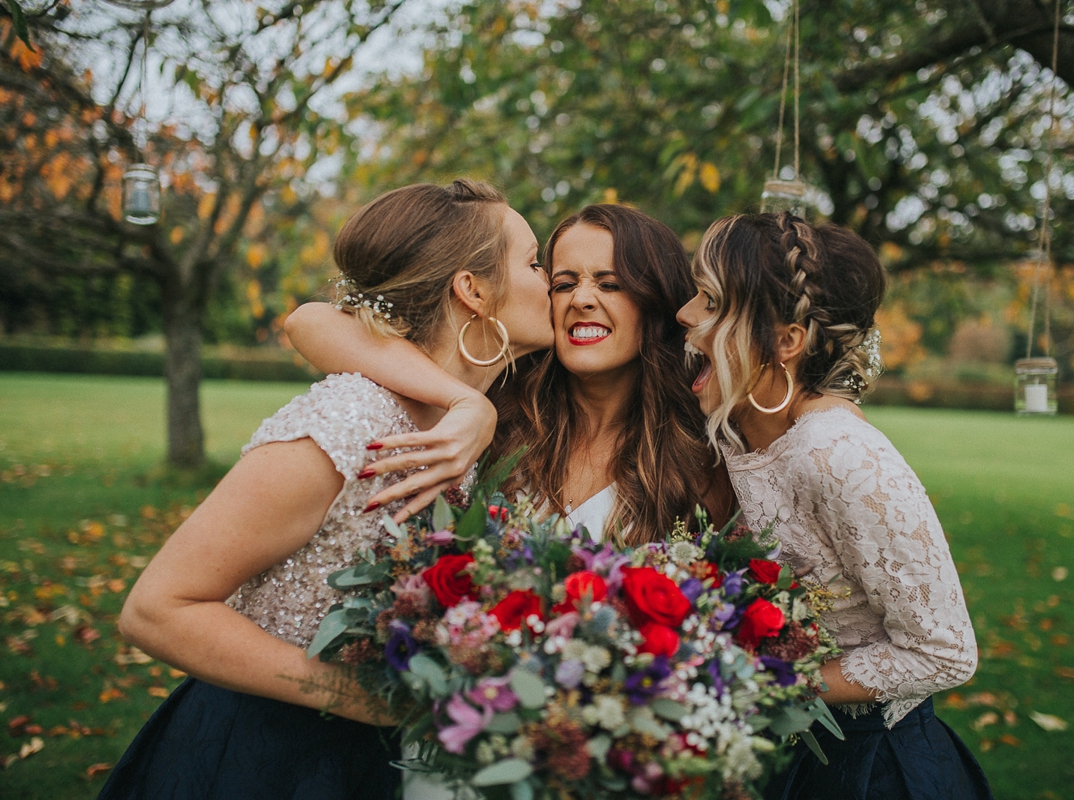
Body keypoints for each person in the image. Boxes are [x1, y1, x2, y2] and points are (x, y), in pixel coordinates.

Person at [99, 179, 554, 800]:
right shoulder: (351, 421)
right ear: (472, 290)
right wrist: (365, 700)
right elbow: (156, 610)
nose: (551, 279)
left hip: (372, 767)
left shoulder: (464, 428)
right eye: (533, 262)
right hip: (258, 759)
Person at [676, 212, 992, 800]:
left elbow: (946, 653)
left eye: (712, 302)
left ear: (787, 341)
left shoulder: (838, 456)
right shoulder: (739, 435)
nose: (686, 315)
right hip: (801, 752)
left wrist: (762, 682)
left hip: (879, 769)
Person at [286, 204, 733, 544]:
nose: (581, 299)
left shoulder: (697, 453)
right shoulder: (498, 396)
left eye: (610, 284)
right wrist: (471, 404)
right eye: (562, 283)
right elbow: (310, 321)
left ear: (655, 301)